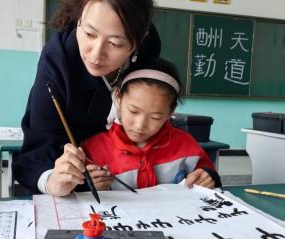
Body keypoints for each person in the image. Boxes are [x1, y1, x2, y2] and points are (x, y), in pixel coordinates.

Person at [12, 0, 161, 196]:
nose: (96, 54)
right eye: (89, 34)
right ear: (80, 17)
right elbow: (37, 149)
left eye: (115, 44)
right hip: (81, 187)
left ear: (137, 43)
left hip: (132, 181)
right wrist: (53, 179)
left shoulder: (149, 51)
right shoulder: (58, 62)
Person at [64, 58, 221, 192]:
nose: (140, 125)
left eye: (155, 117)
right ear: (118, 97)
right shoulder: (92, 150)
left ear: (170, 111)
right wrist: (86, 185)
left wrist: (208, 176)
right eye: (133, 111)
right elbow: (73, 191)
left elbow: (208, 174)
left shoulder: (186, 145)